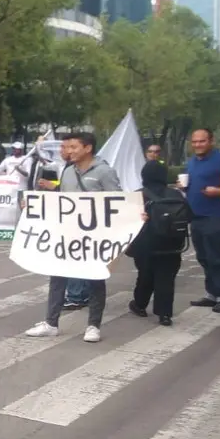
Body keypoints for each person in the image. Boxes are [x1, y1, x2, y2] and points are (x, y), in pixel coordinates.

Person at [24, 131, 121, 342]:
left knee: (95, 279)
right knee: (57, 277)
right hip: (67, 235)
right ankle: (51, 322)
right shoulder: (68, 171)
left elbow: (118, 203)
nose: (68, 151)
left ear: (88, 148)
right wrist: (34, 205)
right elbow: (61, 202)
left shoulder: (104, 172)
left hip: (95, 237)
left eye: (73, 147)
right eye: (67, 147)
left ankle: (93, 325)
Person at [127, 159, 188, 326]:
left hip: (147, 244)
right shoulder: (176, 194)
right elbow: (189, 215)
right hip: (173, 244)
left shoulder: (138, 194)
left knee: (145, 275)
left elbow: (128, 219)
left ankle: (139, 305)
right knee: (166, 278)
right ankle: (165, 314)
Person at [184, 128, 220, 314]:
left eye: (201, 141)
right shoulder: (192, 163)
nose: (197, 145)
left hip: (215, 215)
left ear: (211, 141)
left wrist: (219, 191)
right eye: (195, 142)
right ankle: (212, 293)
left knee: (216, 256)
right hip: (195, 216)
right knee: (203, 257)